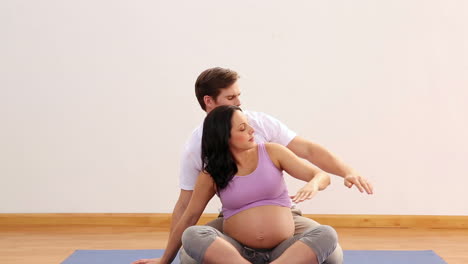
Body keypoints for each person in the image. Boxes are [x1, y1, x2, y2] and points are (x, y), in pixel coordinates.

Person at [133, 67, 373, 264]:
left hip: (285, 219)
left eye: (239, 95)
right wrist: (166, 258)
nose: (240, 103)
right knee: (191, 248)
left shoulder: (265, 138)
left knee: (331, 250)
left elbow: (309, 152)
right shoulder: (200, 155)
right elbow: (187, 208)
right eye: (231, 98)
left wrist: (344, 173)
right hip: (234, 227)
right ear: (209, 101)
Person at [134, 105, 338, 264]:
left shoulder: (272, 152)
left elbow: (321, 175)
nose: (252, 130)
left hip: (284, 248)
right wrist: (164, 260)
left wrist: (313, 184)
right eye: (242, 128)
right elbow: (189, 216)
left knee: (327, 234)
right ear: (225, 137)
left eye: (249, 124)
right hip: (237, 252)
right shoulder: (211, 173)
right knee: (193, 235)